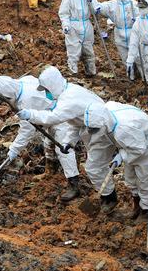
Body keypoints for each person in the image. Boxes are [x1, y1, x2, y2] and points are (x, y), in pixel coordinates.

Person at [18, 66, 105, 202]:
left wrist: (31, 114)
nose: (46, 93)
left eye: (46, 90)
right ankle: (103, 193)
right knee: (94, 165)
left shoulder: (68, 99)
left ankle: (105, 196)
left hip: (100, 128)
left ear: (52, 85)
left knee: (95, 166)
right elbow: (75, 123)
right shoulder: (67, 92)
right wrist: (69, 142)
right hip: (90, 127)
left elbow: (54, 117)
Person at [0, 75, 77, 180]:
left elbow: (27, 130)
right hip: (48, 115)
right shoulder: (23, 81)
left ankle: (73, 181)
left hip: (60, 117)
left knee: (63, 149)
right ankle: (50, 174)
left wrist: (14, 150)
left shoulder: (25, 101)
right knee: (48, 145)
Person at [83, 101, 148, 218]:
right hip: (130, 142)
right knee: (130, 177)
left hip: (147, 144)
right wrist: (122, 152)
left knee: (145, 179)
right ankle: (137, 207)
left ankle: (147, 211)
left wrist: (122, 155)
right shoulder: (103, 113)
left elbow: (139, 149)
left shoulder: (124, 128)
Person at [59, 0, 101, 76]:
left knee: (88, 49)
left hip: (86, 25)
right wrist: (66, 25)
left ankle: (91, 71)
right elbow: (64, 14)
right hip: (73, 27)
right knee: (73, 50)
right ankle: (73, 72)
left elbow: (95, 8)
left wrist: (95, 7)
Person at [98, 0, 137, 68]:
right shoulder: (113, 4)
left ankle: (140, 73)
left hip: (132, 33)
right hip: (119, 33)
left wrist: (137, 20)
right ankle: (130, 74)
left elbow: (142, 16)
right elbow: (102, 7)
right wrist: (96, 7)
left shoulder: (134, 5)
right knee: (124, 56)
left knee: (136, 55)